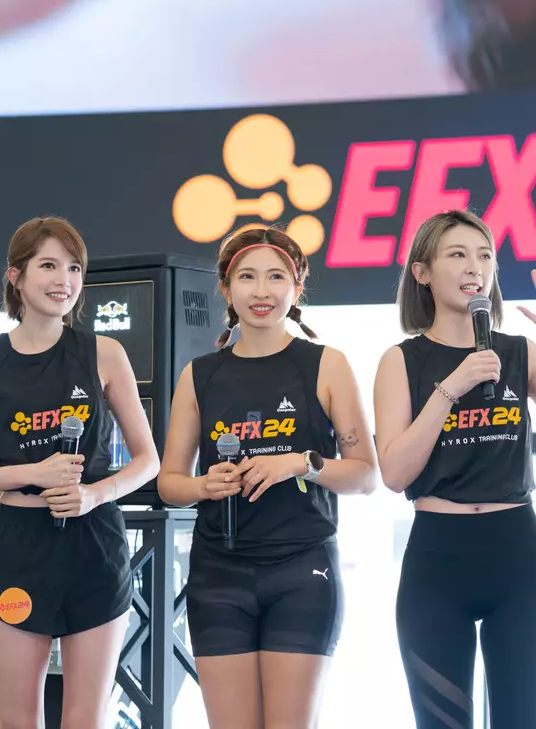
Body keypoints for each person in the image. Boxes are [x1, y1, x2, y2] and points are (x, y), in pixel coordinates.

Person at [372, 209, 536, 728]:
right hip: (437, 559)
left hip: (516, 555)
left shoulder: (518, 352)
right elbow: (394, 473)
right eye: (457, 254)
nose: (474, 267)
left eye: (485, 256)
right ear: (422, 272)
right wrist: (450, 388)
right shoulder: (401, 360)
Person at [0, 216, 159, 729]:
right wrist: (30, 472)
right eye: (49, 266)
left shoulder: (104, 353)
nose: (64, 280)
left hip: (95, 544)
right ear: (16, 276)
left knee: (85, 719)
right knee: (18, 720)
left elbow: (149, 460)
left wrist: (95, 495)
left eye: (74, 268)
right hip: (19, 546)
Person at [158, 226, 378, 729]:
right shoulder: (199, 374)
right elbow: (171, 482)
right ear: (226, 288)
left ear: (296, 288)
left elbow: (365, 476)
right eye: (247, 277)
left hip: (303, 572)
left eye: (276, 277)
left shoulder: (326, 365)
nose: (262, 291)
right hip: (218, 575)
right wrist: (204, 486)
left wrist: (301, 463)